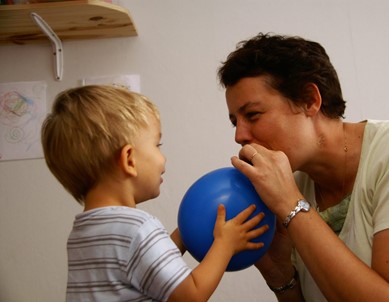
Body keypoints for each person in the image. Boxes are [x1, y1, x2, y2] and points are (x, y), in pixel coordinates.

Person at [217, 33, 389, 302]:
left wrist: (291, 205)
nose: (239, 135)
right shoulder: (293, 185)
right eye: (235, 122)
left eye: (253, 115)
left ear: (310, 100)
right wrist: (280, 273)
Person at [41, 85, 269, 302]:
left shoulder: (83, 231)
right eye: (157, 145)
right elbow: (191, 296)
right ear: (129, 160)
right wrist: (225, 244)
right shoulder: (139, 228)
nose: (163, 158)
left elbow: (142, 273)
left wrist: (181, 237)